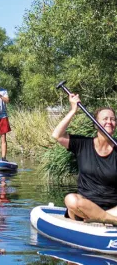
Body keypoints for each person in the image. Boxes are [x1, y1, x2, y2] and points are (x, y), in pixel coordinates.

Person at [52, 92, 117, 224]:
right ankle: (109, 220)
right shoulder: (83, 144)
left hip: (113, 209)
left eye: (112, 119)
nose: (109, 122)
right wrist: (73, 110)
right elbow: (57, 135)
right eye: (105, 119)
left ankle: (101, 218)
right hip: (83, 208)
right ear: (95, 124)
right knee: (71, 199)